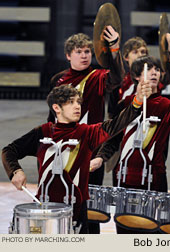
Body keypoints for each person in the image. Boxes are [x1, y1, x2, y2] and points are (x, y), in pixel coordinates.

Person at [2, 84, 151, 234]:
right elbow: (9, 151)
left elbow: (115, 124)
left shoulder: (87, 133)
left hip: (76, 211)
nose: (77, 106)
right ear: (57, 108)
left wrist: (137, 102)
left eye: (78, 102)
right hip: (44, 208)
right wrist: (15, 171)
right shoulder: (43, 132)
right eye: (71, 102)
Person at [94, 55, 170, 233]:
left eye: (157, 69)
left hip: (154, 179)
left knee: (153, 234)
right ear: (137, 77)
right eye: (149, 70)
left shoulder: (166, 106)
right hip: (124, 178)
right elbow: (113, 139)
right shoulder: (125, 104)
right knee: (125, 232)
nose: (154, 73)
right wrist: (100, 158)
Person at [47, 29, 124, 233]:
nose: (84, 56)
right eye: (79, 52)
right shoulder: (58, 80)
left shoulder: (98, 76)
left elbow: (117, 78)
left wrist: (115, 48)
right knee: (62, 204)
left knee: (90, 211)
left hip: (90, 152)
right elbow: (51, 118)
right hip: (62, 152)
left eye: (88, 52)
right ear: (68, 55)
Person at [107, 34, 170, 119]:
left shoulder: (153, 78)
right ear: (126, 57)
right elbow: (112, 114)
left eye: (143, 52)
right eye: (135, 52)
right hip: (126, 128)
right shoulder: (119, 81)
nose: (140, 55)